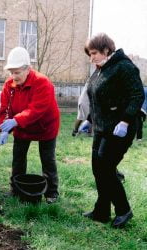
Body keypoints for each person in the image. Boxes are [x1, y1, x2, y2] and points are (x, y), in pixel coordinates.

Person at [82, 33, 144, 228]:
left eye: (94, 53)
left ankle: (123, 210)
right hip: (101, 128)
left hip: (119, 129)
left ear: (106, 50)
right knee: (98, 169)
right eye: (89, 54)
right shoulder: (100, 70)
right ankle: (101, 211)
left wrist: (125, 121)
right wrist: (90, 120)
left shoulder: (124, 67)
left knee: (106, 169)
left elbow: (137, 95)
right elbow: (96, 98)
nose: (91, 58)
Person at [0, 47, 60, 204]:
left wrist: (16, 121)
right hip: (22, 127)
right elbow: (5, 108)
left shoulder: (42, 83)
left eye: (17, 72)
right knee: (18, 158)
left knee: (47, 159)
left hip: (44, 125)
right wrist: (4, 127)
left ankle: (51, 192)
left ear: (28, 69)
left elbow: (36, 109)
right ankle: (16, 189)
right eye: (11, 72)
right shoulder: (9, 85)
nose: (14, 76)